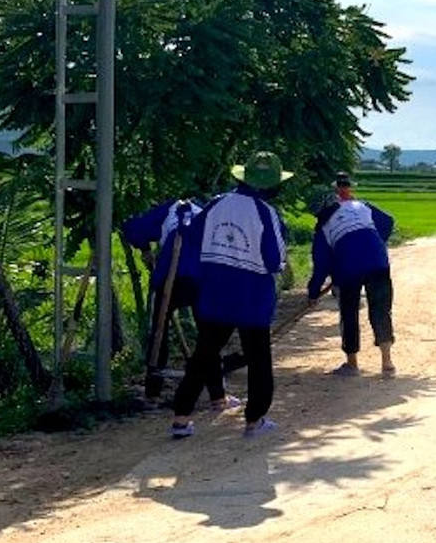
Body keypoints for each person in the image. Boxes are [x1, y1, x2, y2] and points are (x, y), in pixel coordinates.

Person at [168, 150, 291, 440]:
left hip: (214, 292)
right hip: (252, 298)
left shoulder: (216, 204)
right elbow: (274, 261)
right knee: (258, 358)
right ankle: (254, 421)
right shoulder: (265, 212)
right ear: (271, 185)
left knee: (204, 355)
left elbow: (192, 236)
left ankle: (181, 418)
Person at [121, 195, 239, 411]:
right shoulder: (206, 214)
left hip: (170, 277)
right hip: (202, 277)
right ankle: (217, 397)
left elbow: (132, 228)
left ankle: (152, 394)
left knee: (159, 332)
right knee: (208, 336)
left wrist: (145, 249)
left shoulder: (167, 211)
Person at [308, 174, 397, 378]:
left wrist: (313, 293)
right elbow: (388, 221)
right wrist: (375, 242)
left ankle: (352, 364)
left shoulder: (323, 226)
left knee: (349, 313)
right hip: (378, 262)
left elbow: (321, 265)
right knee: (381, 310)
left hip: (348, 269)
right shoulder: (362, 206)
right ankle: (387, 363)